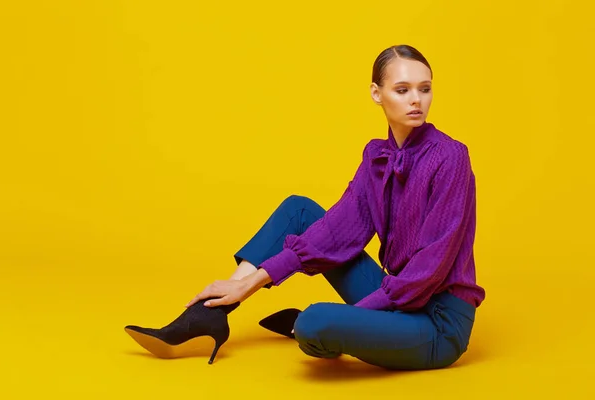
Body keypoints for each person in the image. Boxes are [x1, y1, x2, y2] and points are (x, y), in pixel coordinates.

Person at [124, 44, 486, 370]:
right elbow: (337, 232)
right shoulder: (377, 156)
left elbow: (428, 271)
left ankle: (328, 328)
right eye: (402, 90)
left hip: (436, 323)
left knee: (315, 323)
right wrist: (248, 284)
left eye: (425, 89)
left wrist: (351, 318)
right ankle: (209, 314)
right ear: (377, 94)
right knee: (299, 210)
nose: (416, 101)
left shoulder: (450, 157)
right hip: (397, 299)